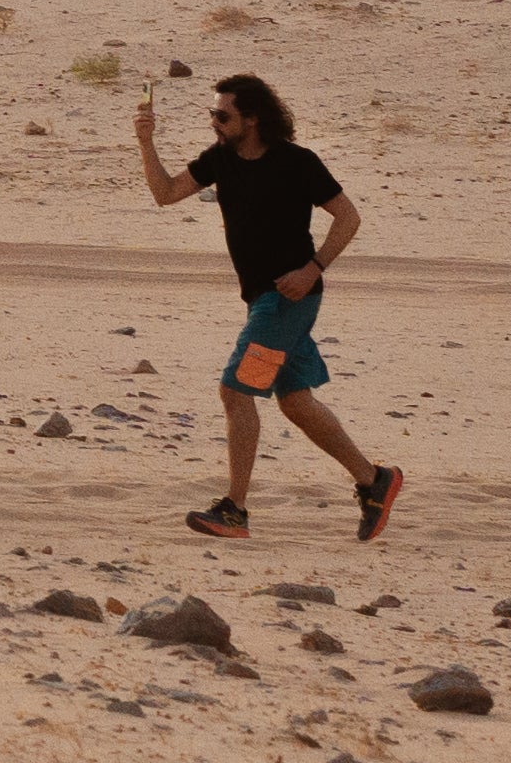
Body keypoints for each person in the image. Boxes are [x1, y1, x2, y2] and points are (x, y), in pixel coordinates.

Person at [139, 70, 399, 543]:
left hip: (285, 302)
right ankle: (374, 480)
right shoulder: (221, 159)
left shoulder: (296, 162)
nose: (215, 123)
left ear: (253, 119)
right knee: (296, 402)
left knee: (236, 393)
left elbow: (348, 217)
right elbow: (165, 193)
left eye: (223, 115)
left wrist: (313, 268)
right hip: (264, 302)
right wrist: (146, 141)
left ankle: (235, 510)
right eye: (212, 114)